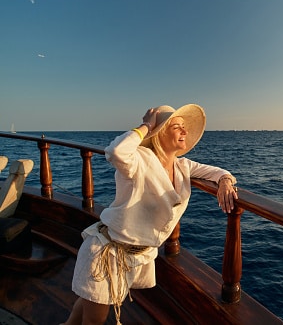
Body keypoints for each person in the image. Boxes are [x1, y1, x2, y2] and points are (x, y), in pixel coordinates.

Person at [62, 104, 238, 325]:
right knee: (95, 319)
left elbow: (218, 172)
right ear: (160, 132)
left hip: (135, 256)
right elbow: (116, 152)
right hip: (108, 253)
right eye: (177, 127)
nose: (184, 131)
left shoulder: (183, 166)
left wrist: (225, 181)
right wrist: (146, 125)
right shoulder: (140, 159)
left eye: (184, 127)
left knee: (94, 299)